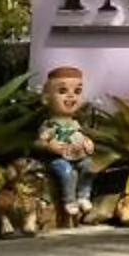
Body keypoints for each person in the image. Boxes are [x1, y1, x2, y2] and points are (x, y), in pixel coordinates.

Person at [35, 66, 98, 226]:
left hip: (78, 157)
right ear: (46, 98)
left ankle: (83, 195)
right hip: (57, 160)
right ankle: (69, 200)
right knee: (66, 171)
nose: (71, 96)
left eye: (77, 92)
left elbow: (81, 136)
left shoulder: (75, 123)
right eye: (63, 91)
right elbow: (39, 142)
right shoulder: (49, 125)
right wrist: (50, 146)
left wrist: (87, 143)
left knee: (90, 166)